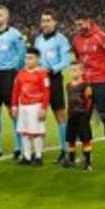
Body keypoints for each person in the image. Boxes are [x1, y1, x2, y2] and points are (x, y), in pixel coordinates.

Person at [71, 14, 105, 167]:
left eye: (81, 24)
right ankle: (87, 154)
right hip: (85, 84)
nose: (79, 27)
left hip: (100, 82)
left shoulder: (102, 37)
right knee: (83, 120)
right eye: (77, 25)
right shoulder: (76, 39)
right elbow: (78, 59)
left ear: (88, 21)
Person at [0, 6, 26, 160]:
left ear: (6, 18)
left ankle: (18, 146)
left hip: (9, 74)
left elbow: (22, 55)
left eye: (0, 15)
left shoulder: (15, 35)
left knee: (13, 110)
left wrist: (16, 72)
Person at [33, 10, 71, 162]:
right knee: (38, 115)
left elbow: (66, 60)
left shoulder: (61, 39)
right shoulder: (38, 40)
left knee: (60, 115)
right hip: (39, 81)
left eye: (48, 20)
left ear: (55, 22)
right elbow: (34, 59)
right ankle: (37, 152)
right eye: (43, 20)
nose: (45, 23)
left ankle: (66, 150)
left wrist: (52, 68)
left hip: (54, 79)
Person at [11, 47, 51, 165]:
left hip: (36, 106)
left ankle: (38, 156)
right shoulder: (21, 73)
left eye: (30, 58)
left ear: (38, 59)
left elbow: (46, 92)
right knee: (24, 132)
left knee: (36, 132)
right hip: (23, 105)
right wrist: (14, 106)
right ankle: (27, 157)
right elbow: (15, 90)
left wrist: (44, 107)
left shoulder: (42, 73)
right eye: (26, 58)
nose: (27, 61)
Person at [63, 61, 96, 170]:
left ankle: (88, 163)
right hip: (72, 116)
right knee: (71, 140)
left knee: (85, 139)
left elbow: (90, 102)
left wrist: (87, 116)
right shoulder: (68, 86)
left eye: (76, 70)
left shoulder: (86, 86)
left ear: (81, 71)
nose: (73, 72)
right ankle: (71, 161)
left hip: (82, 117)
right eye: (72, 70)